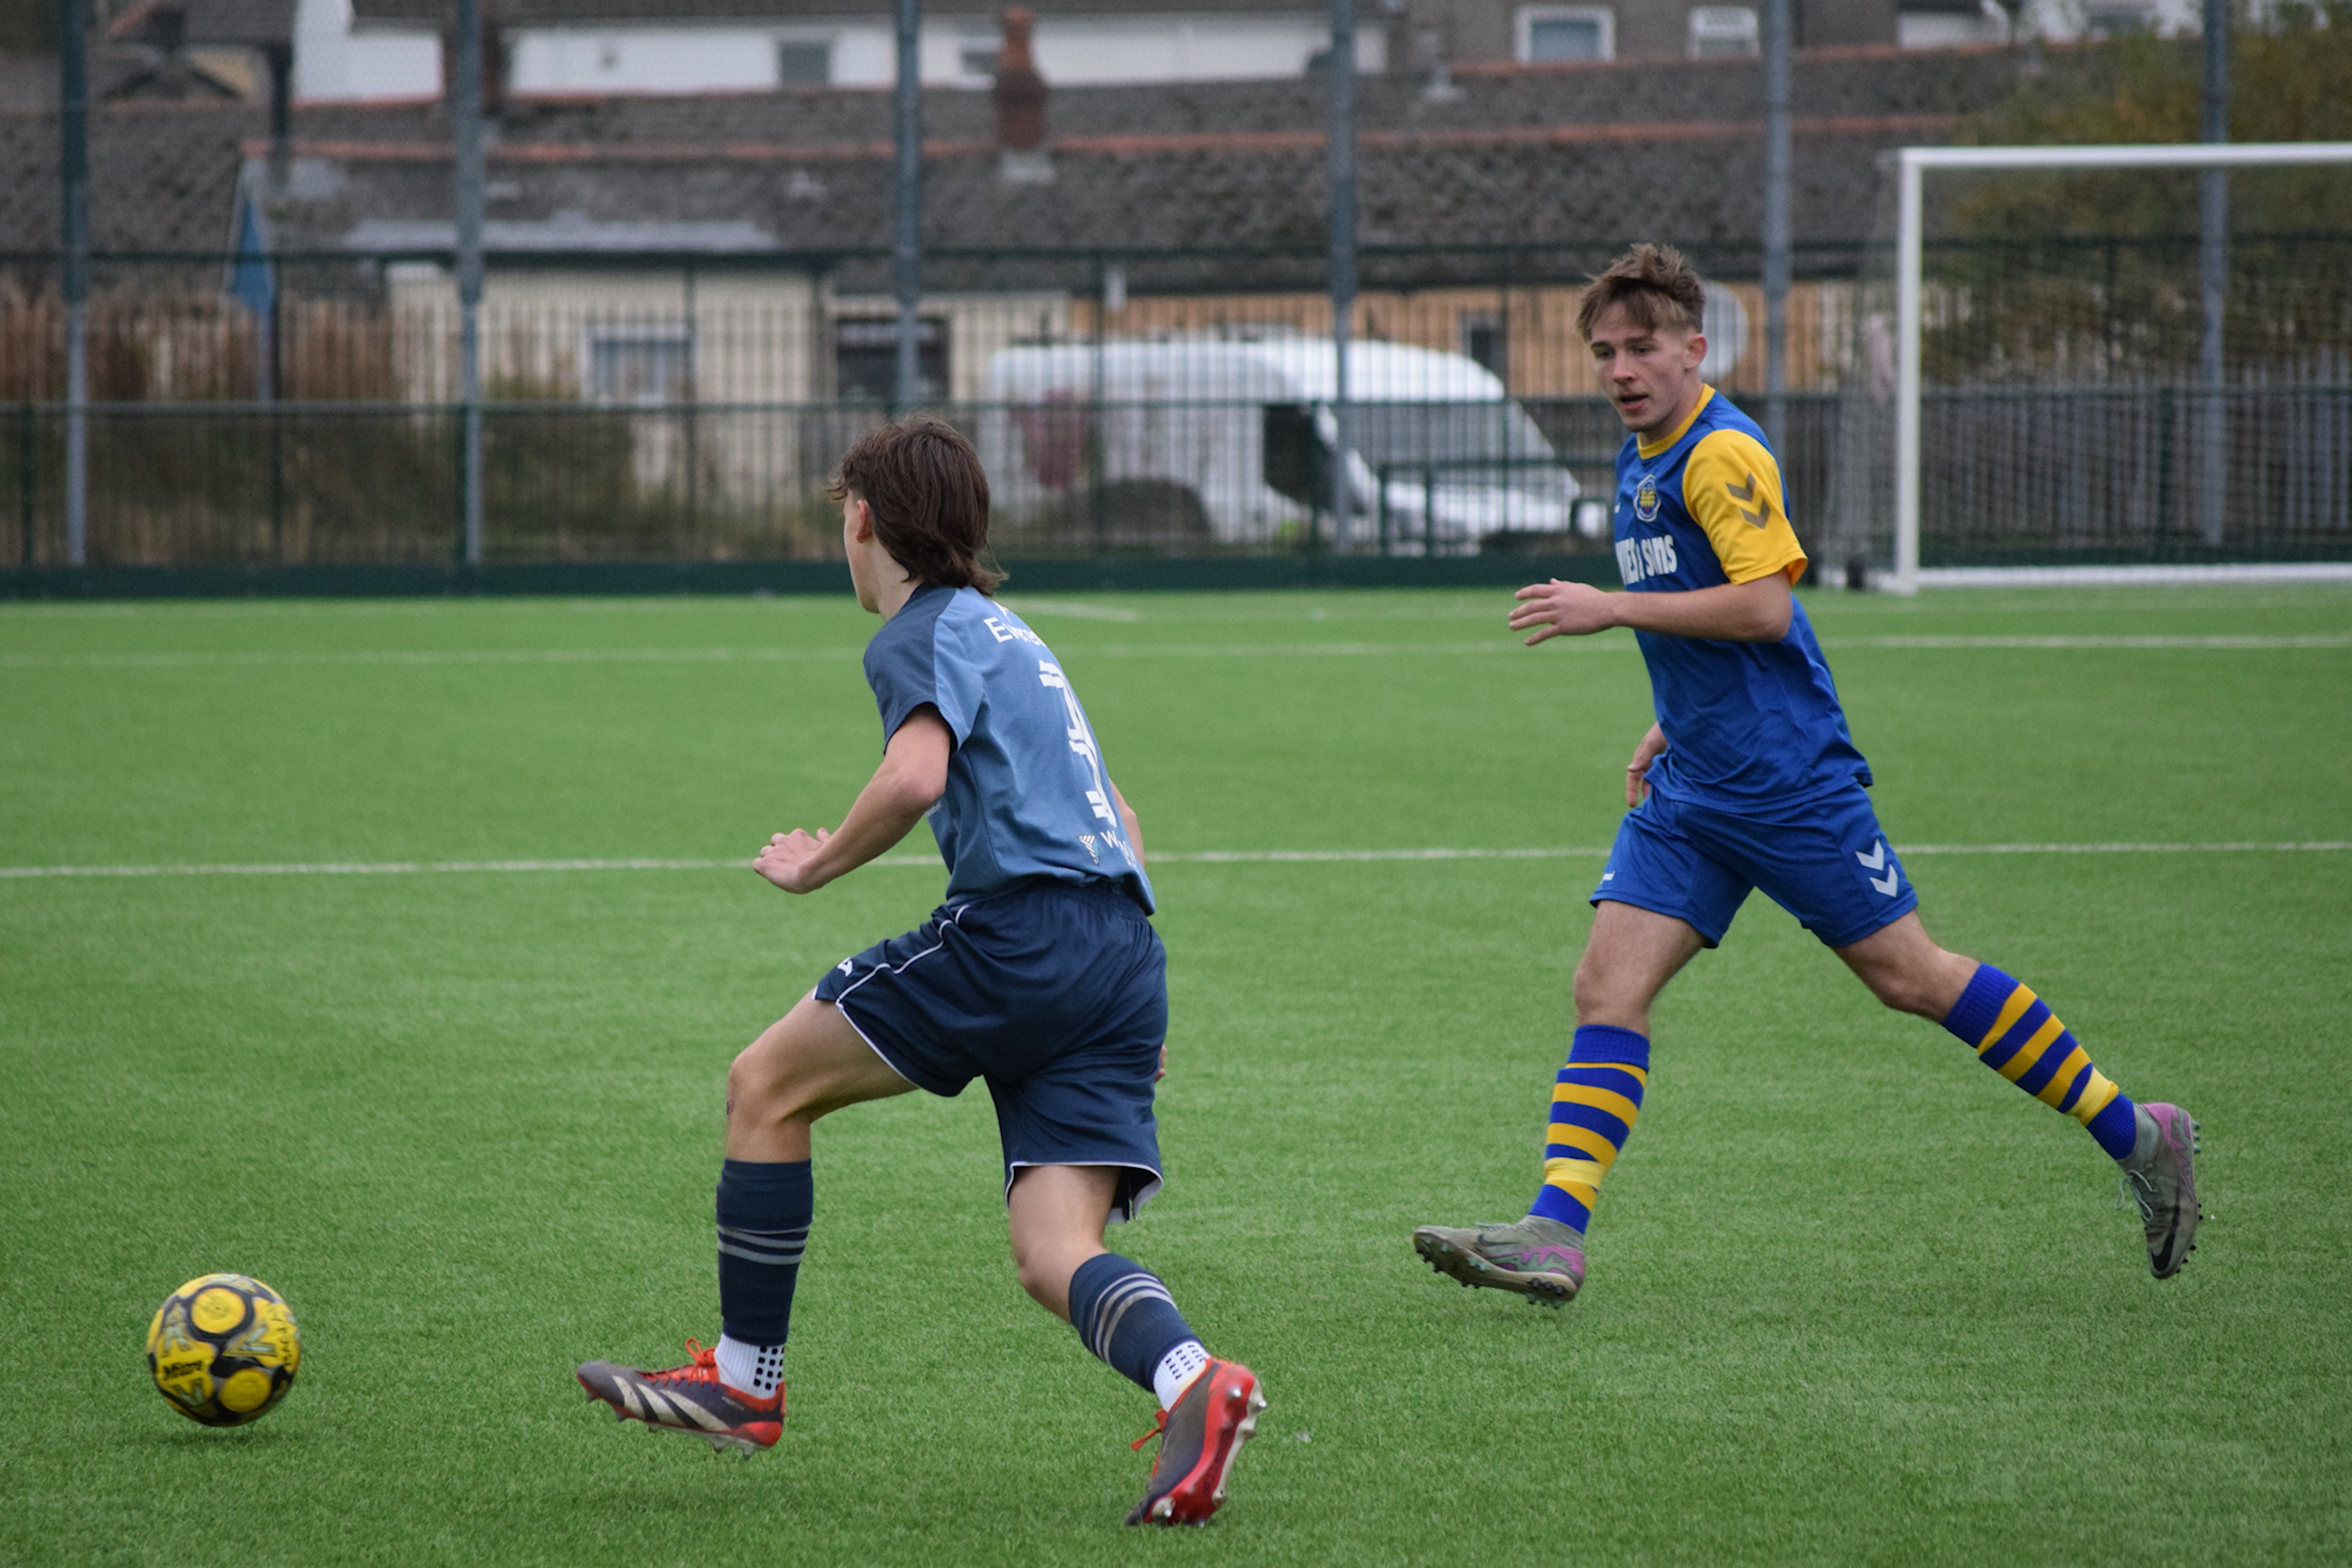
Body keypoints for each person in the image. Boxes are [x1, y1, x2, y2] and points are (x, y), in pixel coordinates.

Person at [1411, 245, 2200, 1306]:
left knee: (1908, 976)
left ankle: (2139, 1132)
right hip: (1695, 783)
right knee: (1607, 985)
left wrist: (1612, 606)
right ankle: (1553, 1232)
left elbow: (1765, 605)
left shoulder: (1719, 454)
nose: (1619, 368)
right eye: (1603, 351)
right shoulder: (1640, 454)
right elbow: (1715, 620)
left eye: (1642, 347)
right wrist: (1667, 718)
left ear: (1695, 348)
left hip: (1786, 783)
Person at [577, 415, 1263, 1527]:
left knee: (765, 1083)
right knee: (1053, 1252)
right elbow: (1121, 814)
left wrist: (817, 864)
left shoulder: (915, 630)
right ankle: (1196, 1379)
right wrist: (1136, 996)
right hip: (1120, 951)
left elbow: (913, 778)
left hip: (1021, 937)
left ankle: (745, 1381)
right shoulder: (1015, 631)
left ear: (862, 518)